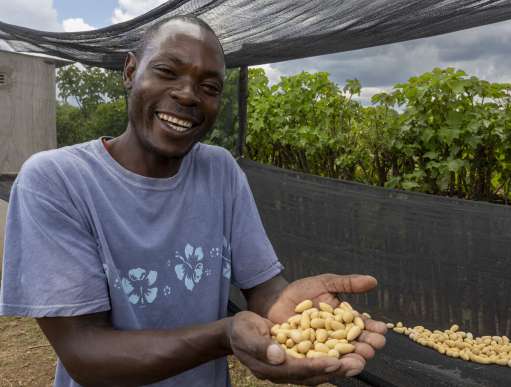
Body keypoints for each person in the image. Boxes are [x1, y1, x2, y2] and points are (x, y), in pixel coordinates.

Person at [0, 15, 386, 387]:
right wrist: (224, 335)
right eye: (167, 72)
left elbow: (264, 288)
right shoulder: (56, 181)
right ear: (130, 72)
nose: (187, 94)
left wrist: (290, 306)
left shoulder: (220, 171)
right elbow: (84, 352)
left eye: (210, 87)